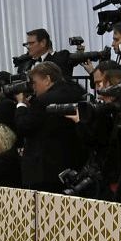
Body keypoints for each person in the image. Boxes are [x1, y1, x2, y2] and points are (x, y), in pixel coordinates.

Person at [14, 61, 87, 191]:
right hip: (73, 163)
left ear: (47, 79)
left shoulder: (43, 101)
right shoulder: (76, 93)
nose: (33, 88)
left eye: (35, 83)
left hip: (45, 168)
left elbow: (23, 126)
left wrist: (21, 105)